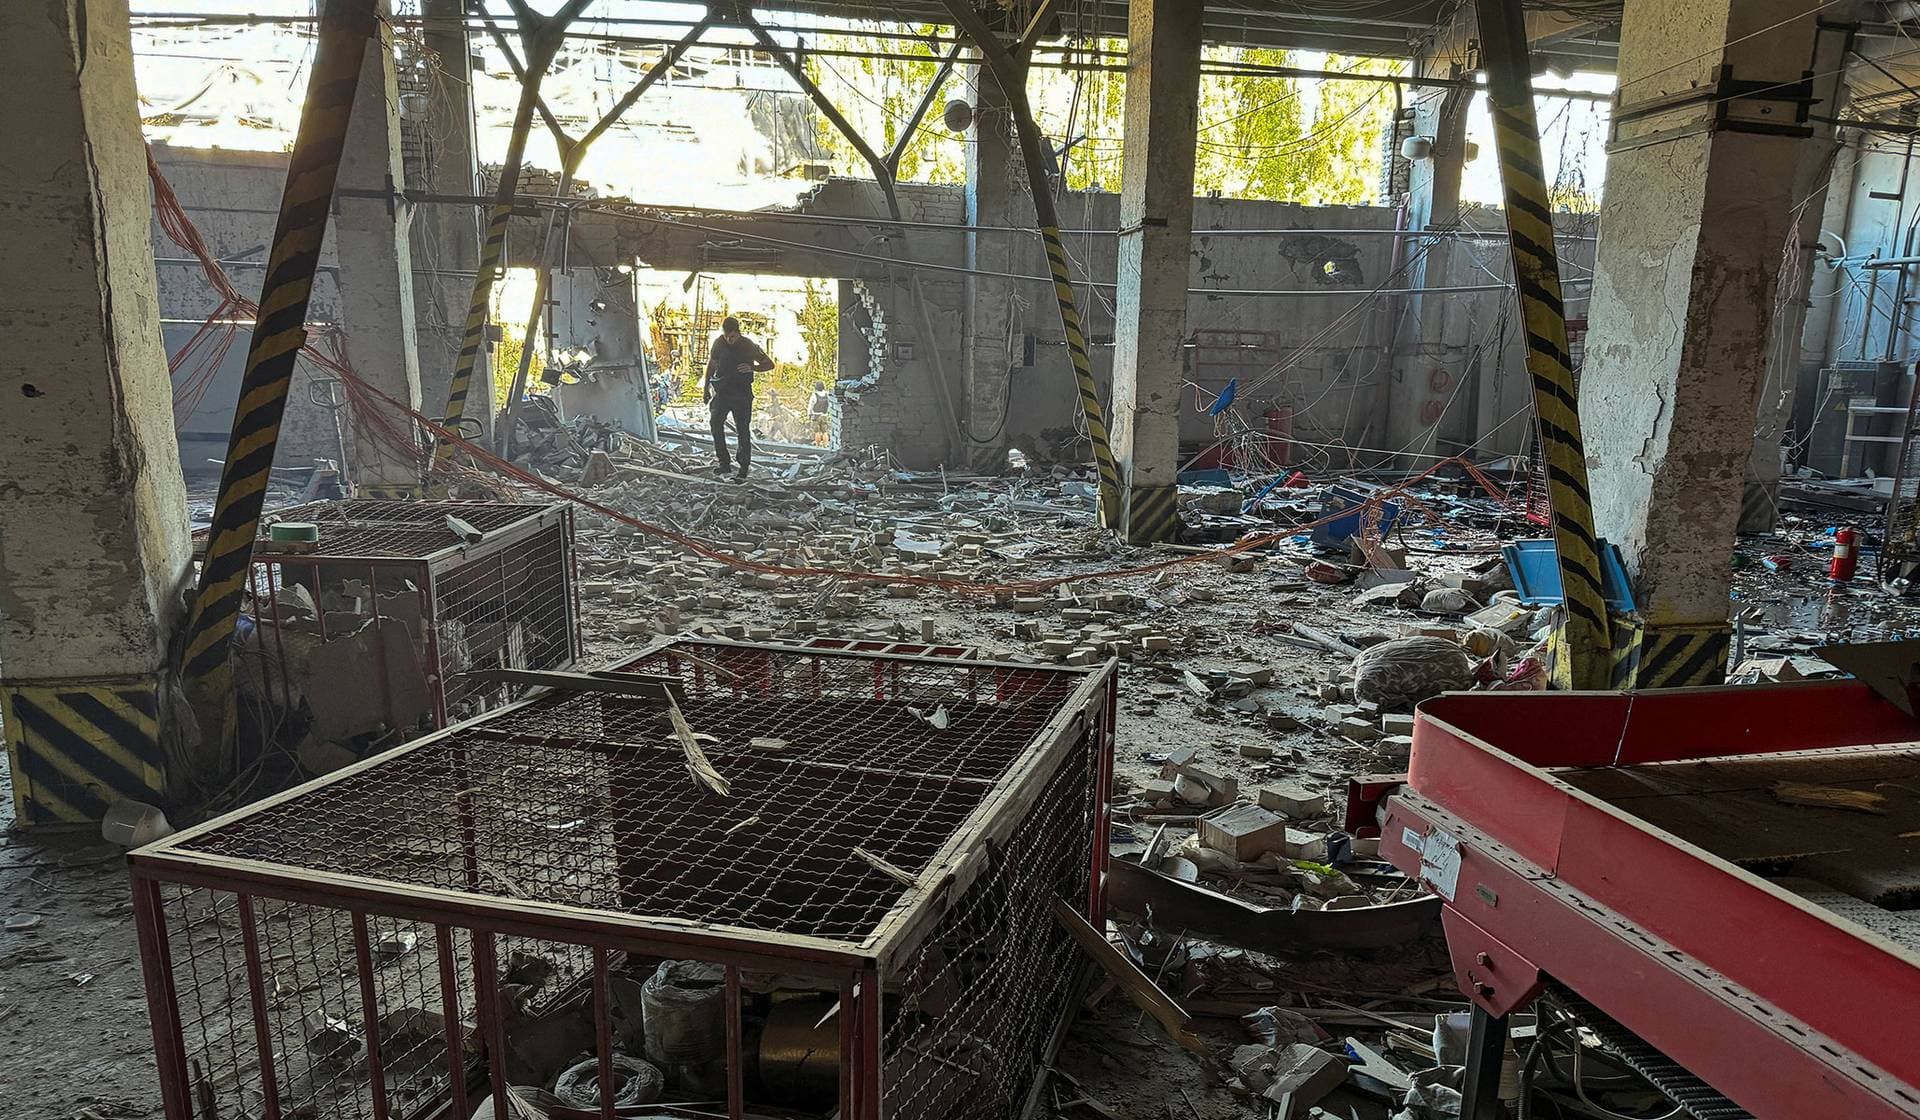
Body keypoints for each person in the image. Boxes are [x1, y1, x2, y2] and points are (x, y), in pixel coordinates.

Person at [703, 315, 774, 479]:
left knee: (742, 430)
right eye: (726, 336)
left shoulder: (748, 345)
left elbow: (769, 364)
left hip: (742, 393)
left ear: (738, 333)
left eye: (732, 336)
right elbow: (711, 365)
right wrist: (705, 388)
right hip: (722, 392)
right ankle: (724, 463)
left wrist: (752, 367)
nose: (729, 339)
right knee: (715, 424)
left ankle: (743, 467)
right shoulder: (719, 343)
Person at [808, 380, 832, 447]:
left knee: (817, 432)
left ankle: (818, 445)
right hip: (824, 415)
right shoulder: (827, 395)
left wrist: (809, 414)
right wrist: (828, 413)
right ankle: (825, 445)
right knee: (825, 432)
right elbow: (829, 405)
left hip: (816, 415)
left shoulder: (814, 395)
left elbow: (810, 405)